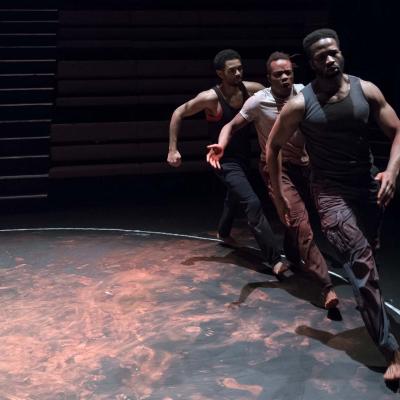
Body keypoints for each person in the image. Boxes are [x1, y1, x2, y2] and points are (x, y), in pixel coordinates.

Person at [266, 28, 400, 380]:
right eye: (322, 56)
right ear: (312, 63)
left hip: (367, 185)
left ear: (341, 53)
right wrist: (279, 195)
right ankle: (391, 350)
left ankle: (371, 293)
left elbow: (398, 129)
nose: (330, 59)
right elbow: (273, 147)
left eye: (334, 52)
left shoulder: (365, 90)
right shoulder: (300, 103)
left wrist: (391, 170)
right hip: (329, 192)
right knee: (361, 267)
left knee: (368, 250)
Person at [206, 51, 338, 309]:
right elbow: (230, 126)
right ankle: (326, 286)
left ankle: (292, 252)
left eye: (288, 72)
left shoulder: (304, 93)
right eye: (278, 74)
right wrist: (221, 145)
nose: (285, 78)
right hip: (276, 168)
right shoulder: (258, 101)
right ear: (269, 78)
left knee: (295, 221)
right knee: (300, 221)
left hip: (305, 167)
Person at [167, 49, 288, 274]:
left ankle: (223, 232)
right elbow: (178, 113)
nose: (238, 73)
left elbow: (273, 100)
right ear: (220, 74)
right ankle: (274, 259)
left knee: (235, 196)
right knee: (251, 202)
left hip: (245, 157)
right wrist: (173, 149)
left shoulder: (252, 89)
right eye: (232, 70)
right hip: (222, 160)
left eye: (240, 68)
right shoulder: (210, 98)